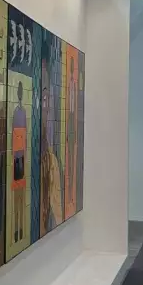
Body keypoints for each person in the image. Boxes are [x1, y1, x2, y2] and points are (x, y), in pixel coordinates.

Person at [40, 61, 62, 236]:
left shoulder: (50, 160)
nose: (44, 107)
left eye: (46, 99)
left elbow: (57, 214)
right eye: (42, 98)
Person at [12, 81, 27, 243]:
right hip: (18, 159)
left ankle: (19, 229)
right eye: (19, 91)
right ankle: (17, 229)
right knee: (18, 196)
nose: (20, 94)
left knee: (20, 196)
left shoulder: (19, 112)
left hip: (19, 158)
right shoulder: (18, 112)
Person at [67, 58, 77, 208]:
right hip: (70, 124)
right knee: (70, 163)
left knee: (72, 163)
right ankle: (69, 194)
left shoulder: (73, 84)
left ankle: (70, 194)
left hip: (72, 125)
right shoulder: (70, 84)